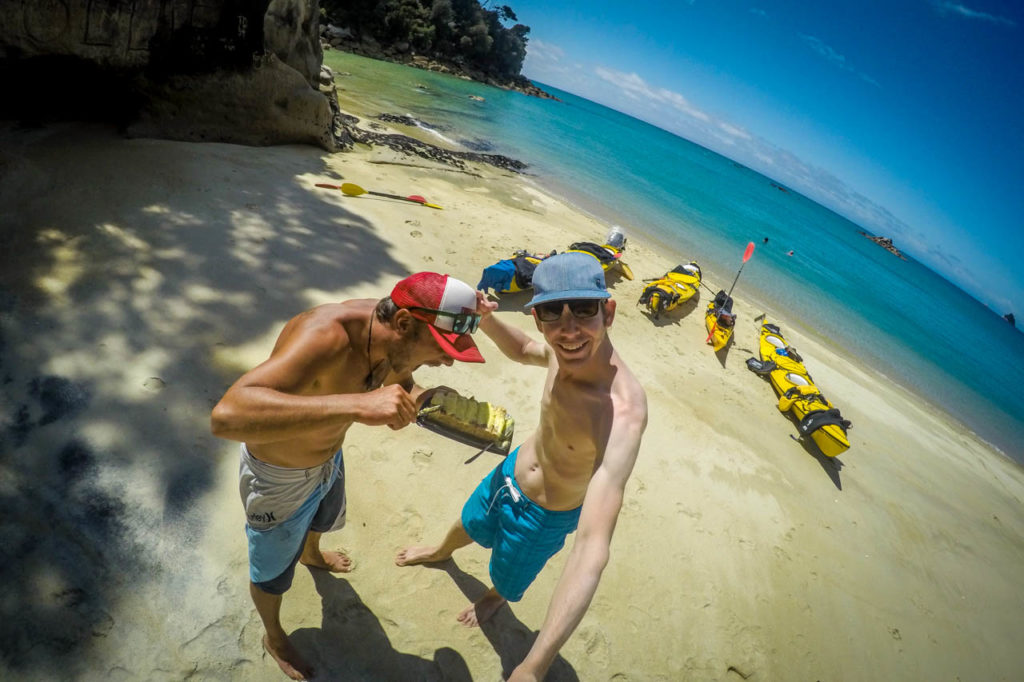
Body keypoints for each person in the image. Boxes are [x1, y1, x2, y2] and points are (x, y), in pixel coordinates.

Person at [210, 272, 485, 681]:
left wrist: (419, 397)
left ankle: (312, 554)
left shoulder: (393, 336)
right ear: (406, 323)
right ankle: (275, 635)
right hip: (279, 478)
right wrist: (357, 405)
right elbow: (227, 417)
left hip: (329, 457)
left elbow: (400, 378)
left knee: (323, 518)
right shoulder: (325, 337)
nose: (447, 359)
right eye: (443, 348)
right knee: (271, 575)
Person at [396, 252, 648, 681]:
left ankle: (495, 598)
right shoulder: (557, 348)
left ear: (608, 311)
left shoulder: (621, 411)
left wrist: (534, 667)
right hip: (510, 473)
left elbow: (591, 549)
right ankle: (441, 552)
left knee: (508, 575)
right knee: (469, 521)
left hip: (546, 515)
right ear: (539, 319)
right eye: (553, 312)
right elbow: (524, 350)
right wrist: (489, 321)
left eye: (584, 310)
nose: (569, 330)